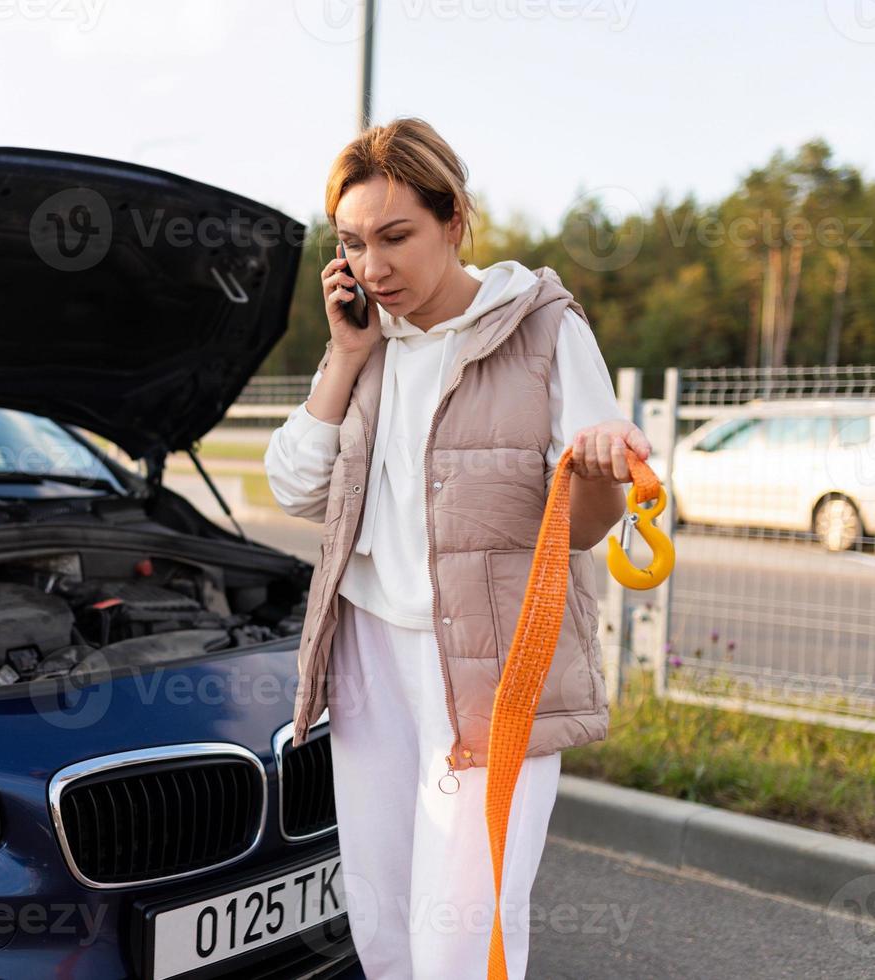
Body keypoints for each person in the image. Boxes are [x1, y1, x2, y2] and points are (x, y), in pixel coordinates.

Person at [264, 118, 653, 979]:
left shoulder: (545, 330)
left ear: (454, 220)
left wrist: (595, 468)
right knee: (382, 922)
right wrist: (343, 355)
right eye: (354, 244)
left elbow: (585, 528)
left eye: (395, 237)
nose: (373, 268)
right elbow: (296, 489)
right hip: (370, 654)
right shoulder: (370, 344)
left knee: (462, 939)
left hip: (489, 670)